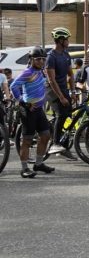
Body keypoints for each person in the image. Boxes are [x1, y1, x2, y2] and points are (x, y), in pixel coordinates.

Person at [11, 47, 54, 178]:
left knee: (46, 136)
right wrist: (22, 102)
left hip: (39, 110)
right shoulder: (27, 72)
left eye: (43, 59)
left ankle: (38, 164)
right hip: (28, 110)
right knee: (27, 140)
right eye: (38, 59)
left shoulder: (41, 72)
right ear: (31, 60)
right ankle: (24, 168)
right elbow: (13, 86)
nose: (41, 61)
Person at [45, 27, 77, 159]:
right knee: (61, 114)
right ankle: (55, 143)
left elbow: (70, 75)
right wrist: (61, 97)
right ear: (60, 40)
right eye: (67, 39)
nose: (68, 41)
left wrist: (73, 92)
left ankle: (64, 146)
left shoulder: (65, 54)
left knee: (69, 117)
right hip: (52, 90)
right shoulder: (51, 57)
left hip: (64, 89)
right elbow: (51, 80)